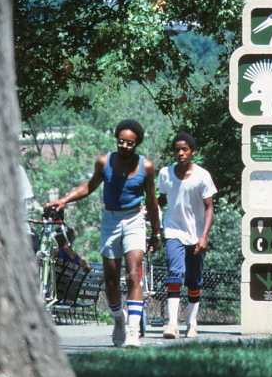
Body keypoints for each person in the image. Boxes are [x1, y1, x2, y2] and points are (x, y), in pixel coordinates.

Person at [45, 119, 161, 348]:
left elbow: (152, 199)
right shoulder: (104, 162)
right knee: (110, 279)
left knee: (133, 274)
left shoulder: (146, 166)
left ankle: (132, 331)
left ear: (136, 144)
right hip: (110, 219)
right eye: (121, 142)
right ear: (116, 140)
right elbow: (89, 186)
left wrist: (155, 232)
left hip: (134, 219)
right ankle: (119, 320)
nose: (125, 146)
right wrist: (64, 200)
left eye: (130, 143)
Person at [157, 132, 215, 339]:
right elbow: (163, 199)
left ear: (192, 151)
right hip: (173, 230)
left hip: (196, 234)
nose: (180, 153)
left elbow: (209, 208)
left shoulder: (202, 176)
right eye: (177, 149)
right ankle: (172, 324)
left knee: (194, 279)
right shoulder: (165, 173)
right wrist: (148, 207)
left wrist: (204, 236)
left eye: (185, 149)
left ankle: (191, 323)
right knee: (174, 273)